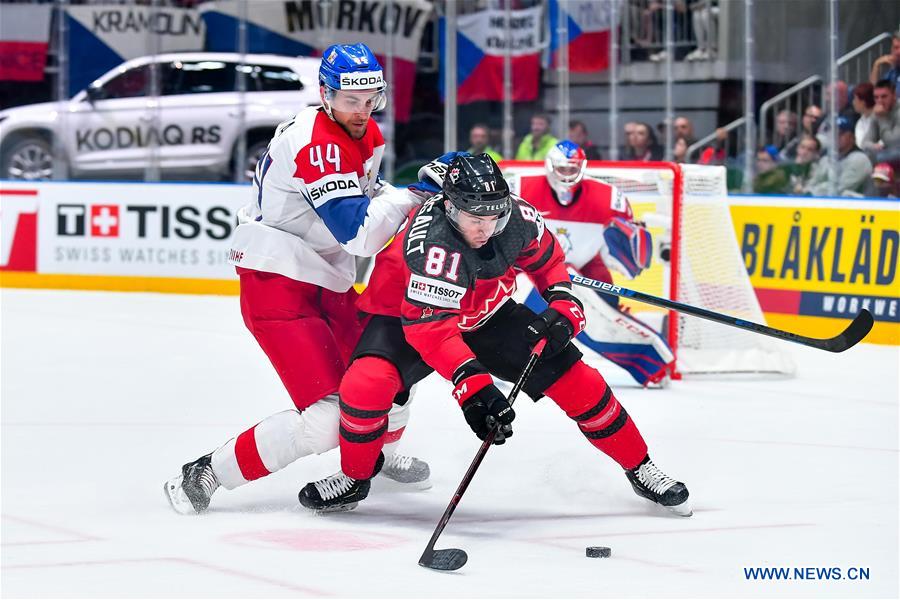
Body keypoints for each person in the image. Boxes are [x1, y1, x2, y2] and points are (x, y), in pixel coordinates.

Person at [296, 154, 691, 516]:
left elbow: (550, 262)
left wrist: (564, 305)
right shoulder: (432, 243)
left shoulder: (516, 217)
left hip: (487, 314)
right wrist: (475, 389)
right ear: (449, 207)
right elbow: (432, 330)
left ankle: (642, 468)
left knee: (580, 382)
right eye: (476, 220)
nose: (487, 229)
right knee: (365, 385)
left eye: (494, 217)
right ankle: (354, 478)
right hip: (409, 320)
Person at [164, 43, 435, 515]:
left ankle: (376, 457)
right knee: (328, 420)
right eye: (351, 100)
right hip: (278, 284)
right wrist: (413, 195)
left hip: (324, 278)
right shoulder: (318, 144)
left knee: (389, 375)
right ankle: (208, 470)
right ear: (325, 94)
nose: (363, 109)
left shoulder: (360, 131)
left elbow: (365, 198)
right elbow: (361, 237)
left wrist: (416, 192)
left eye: (371, 98)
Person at [508, 141, 675, 387]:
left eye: (572, 168)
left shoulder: (609, 198)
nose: (566, 175)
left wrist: (630, 247)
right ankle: (501, 354)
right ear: (550, 166)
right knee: (508, 309)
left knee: (606, 306)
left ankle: (650, 362)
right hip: (530, 269)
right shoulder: (520, 187)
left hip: (583, 268)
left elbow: (622, 255)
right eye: (562, 168)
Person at [809, 117, 873, 197]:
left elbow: (839, 187)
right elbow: (814, 181)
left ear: (852, 137)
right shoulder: (827, 159)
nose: (835, 137)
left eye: (840, 133)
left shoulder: (859, 159)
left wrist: (813, 192)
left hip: (857, 207)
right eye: (832, 133)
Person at [862, 79, 900, 164]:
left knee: (882, 157)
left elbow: (894, 143)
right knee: (864, 155)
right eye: (876, 97)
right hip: (888, 152)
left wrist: (882, 118)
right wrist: (874, 146)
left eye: (884, 96)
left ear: (894, 95)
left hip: (897, 151)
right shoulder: (877, 113)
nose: (879, 101)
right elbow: (865, 143)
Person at [853, 83, 877, 149]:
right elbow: (860, 145)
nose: (853, 102)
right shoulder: (860, 122)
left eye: (855, 99)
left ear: (863, 102)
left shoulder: (880, 119)